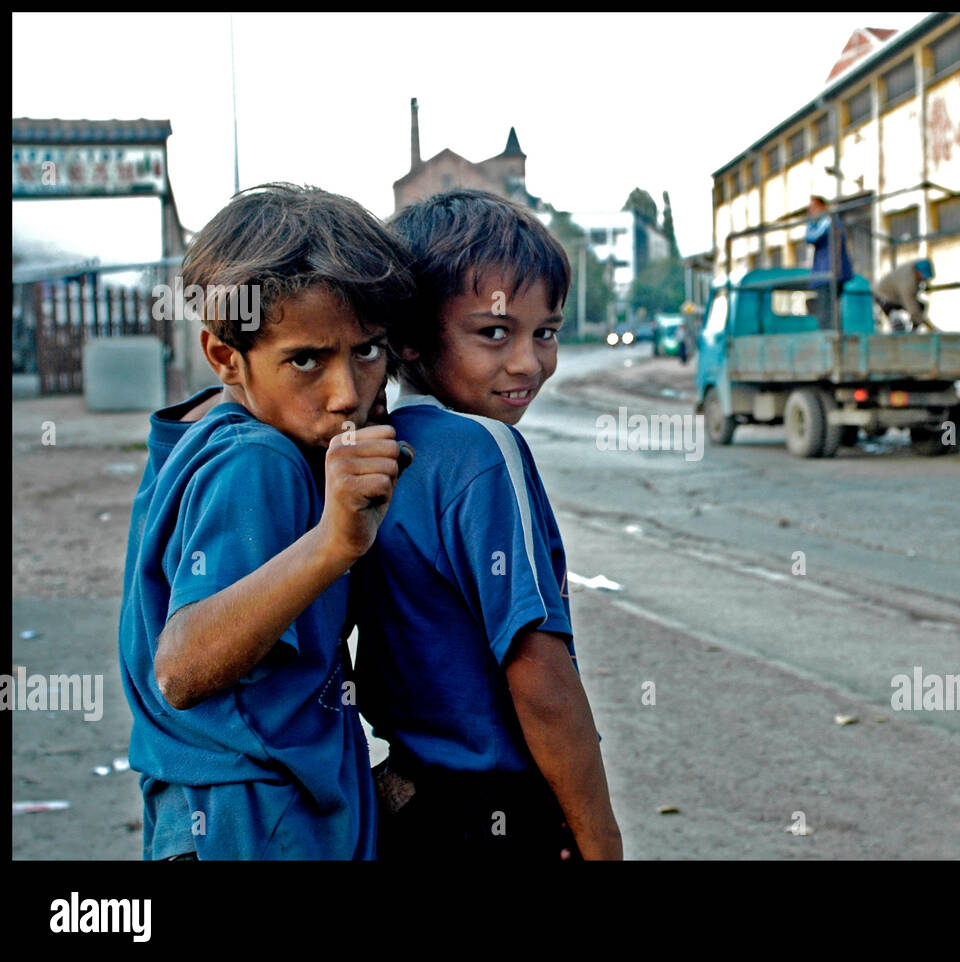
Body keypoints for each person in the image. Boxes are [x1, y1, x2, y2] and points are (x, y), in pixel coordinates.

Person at [118, 183, 418, 859]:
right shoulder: (259, 462)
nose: (347, 395)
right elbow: (182, 668)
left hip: (209, 815)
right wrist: (332, 544)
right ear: (226, 357)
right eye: (306, 360)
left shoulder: (203, 432)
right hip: (257, 821)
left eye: (367, 351)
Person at [357, 189, 622, 861]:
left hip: (410, 801)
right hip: (493, 812)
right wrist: (600, 839)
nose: (529, 362)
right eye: (494, 333)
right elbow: (539, 672)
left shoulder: (378, 443)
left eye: (547, 332)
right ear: (410, 336)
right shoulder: (484, 451)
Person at [805, 195, 854, 329]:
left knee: (827, 312)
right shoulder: (828, 221)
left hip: (830, 274)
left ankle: (829, 340)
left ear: (823, 206)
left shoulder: (828, 221)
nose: (811, 211)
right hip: (828, 273)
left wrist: (810, 223)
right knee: (829, 310)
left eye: (814, 207)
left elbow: (810, 237)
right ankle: (832, 337)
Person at [873, 258, 936, 332]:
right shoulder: (907, 282)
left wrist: (925, 285)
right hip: (885, 298)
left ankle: (913, 332)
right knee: (898, 323)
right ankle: (903, 338)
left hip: (895, 295)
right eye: (922, 277)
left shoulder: (915, 265)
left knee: (921, 307)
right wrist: (927, 325)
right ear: (917, 272)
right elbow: (912, 306)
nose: (923, 279)